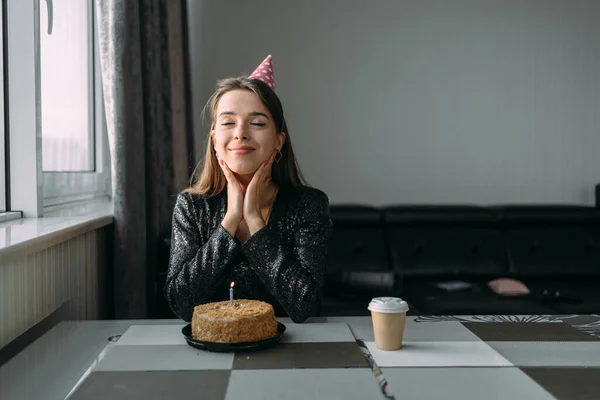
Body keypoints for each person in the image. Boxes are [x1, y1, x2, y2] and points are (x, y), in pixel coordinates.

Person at [164, 55, 332, 323]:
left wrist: (254, 220)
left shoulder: (307, 205)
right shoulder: (191, 206)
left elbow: (305, 306)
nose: (240, 133)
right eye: (228, 122)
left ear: (279, 141)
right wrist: (231, 219)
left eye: (257, 123)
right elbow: (182, 305)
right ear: (215, 140)